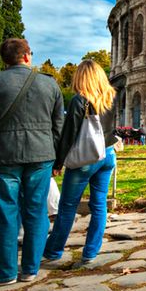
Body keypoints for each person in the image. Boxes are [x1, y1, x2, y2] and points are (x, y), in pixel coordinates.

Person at [0, 38, 63, 288]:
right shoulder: (49, 84)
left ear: (4, 60)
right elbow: (58, 127)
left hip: (4, 156)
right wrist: (58, 160)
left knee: (5, 213)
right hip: (41, 156)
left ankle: (2, 273)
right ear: (28, 56)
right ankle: (30, 269)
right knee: (37, 211)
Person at [43, 60, 119, 265]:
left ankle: (53, 251)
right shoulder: (111, 97)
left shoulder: (79, 100)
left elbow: (69, 135)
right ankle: (91, 252)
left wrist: (58, 163)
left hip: (86, 157)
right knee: (99, 205)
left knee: (67, 206)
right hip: (108, 154)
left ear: (81, 77)